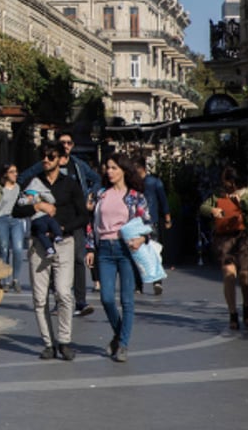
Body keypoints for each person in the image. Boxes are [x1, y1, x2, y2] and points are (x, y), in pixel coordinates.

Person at [12, 140, 89, 361]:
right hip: (38, 246)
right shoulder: (32, 183)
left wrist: (65, 227)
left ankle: (64, 341)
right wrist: (37, 206)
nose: (46, 159)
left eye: (51, 156)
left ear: (60, 159)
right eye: (43, 156)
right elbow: (17, 210)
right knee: (39, 298)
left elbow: (83, 215)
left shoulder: (70, 185)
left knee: (64, 294)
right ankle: (48, 343)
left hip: (64, 243)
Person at [19, 130, 101, 318]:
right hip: (50, 219)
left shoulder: (78, 165)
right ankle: (58, 301)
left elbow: (96, 179)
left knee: (79, 259)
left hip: (74, 219)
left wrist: (90, 195)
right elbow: (23, 179)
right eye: (62, 142)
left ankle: (80, 301)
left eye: (69, 142)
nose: (66, 145)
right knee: (52, 259)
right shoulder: (43, 165)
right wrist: (35, 199)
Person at [85, 153, 151, 363]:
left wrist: (141, 239)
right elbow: (91, 223)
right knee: (105, 297)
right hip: (104, 249)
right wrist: (90, 248)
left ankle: (123, 344)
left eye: (113, 167)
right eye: (107, 168)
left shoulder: (135, 196)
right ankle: (119, 332)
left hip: (126, 250)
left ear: (123, 170)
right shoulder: (101, 194)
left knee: (127, 300)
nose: (109, 171)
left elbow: (148, 223)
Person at [200, 166, 248, 330]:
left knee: (245, 277)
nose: (226, 185)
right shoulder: (219, 194)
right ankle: (232, 314)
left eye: (228, 182)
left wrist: (242, 203)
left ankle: (246, 306)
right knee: (229, 275)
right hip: (224, 238)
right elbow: (203, 207)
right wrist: (212, 210)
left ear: (235, 181)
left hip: (245, 238)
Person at [135, 157, 171, 295]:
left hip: (149, 222)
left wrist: (167, 217)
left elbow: (163, 200)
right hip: (142, 222)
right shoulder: (140, 183)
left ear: (142, 168)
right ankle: (143, 284)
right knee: (143, 253)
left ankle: (153, 282)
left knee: (151, 252)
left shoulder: (153, 182)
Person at [0, 164, 26, 292]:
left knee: (18, 249)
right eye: (12, 172)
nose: (15, 174)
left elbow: (21, 203)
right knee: (4, 250)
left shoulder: (18, 188)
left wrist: (27, 200)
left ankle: (16, 279)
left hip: (16, 220)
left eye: (16, 172)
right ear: (5, 174)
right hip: (1, 220)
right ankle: (5, 280)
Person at [18, 179, 61, 256]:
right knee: (41, 233)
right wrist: (28, 200)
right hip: (37, 219)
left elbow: (52, 200)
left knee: (52, 224)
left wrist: (42, 194)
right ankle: (50, 247)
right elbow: (21, 202)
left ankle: (57, 237)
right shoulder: (27, 199)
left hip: (45, 216)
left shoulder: (42, 196)